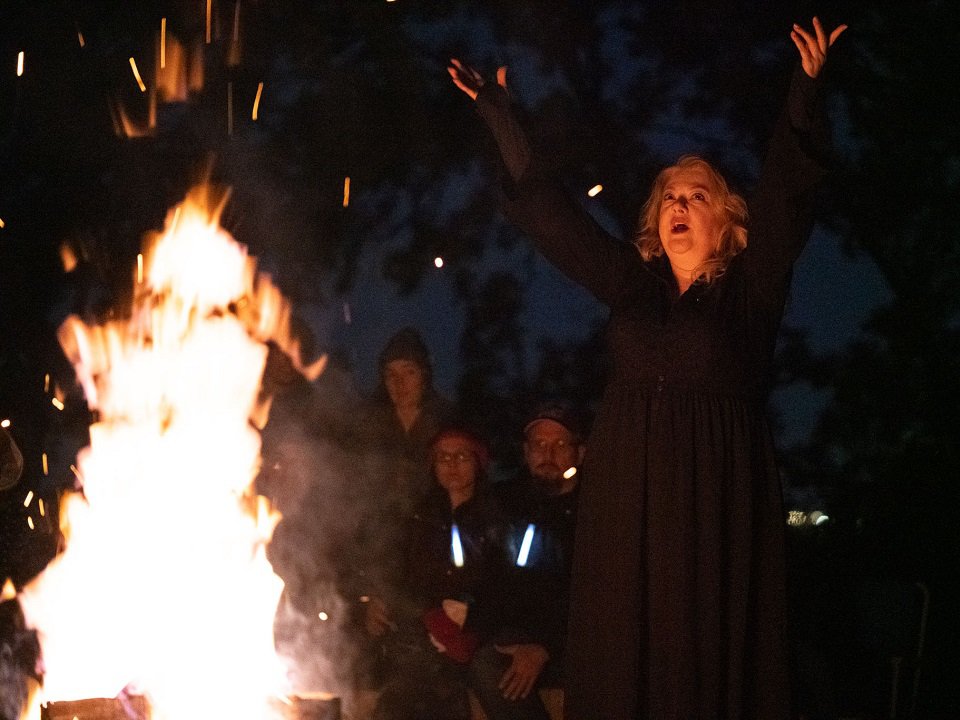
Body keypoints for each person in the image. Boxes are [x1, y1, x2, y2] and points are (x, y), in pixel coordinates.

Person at [448, 16, 846, 720]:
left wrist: (806, 91)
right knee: (626, 653)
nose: (679, 206)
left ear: (727, 220)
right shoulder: (632, 283)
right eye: (669, 197)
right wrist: (505, 122)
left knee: (700, 654)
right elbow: (558, 224)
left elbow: (789, 194)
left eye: (696, 196)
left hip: (710, 501)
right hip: (627, 508)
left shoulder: (752, 290)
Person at [365, 425, 508, 720]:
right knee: (402, 683)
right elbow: (396, 574)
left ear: (478, 462)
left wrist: (467, 622)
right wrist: (377, 604)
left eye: (461, 456)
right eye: (443, 457)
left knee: (439, 687)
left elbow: (504, 584)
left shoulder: (496, 517)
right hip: (417, 629)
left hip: (470, 634)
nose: (452, 465)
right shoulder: (418, 515)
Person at [469, 401, 587, 720]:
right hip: (516, 636)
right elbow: (492, 581)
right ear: (526, 452)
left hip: (575, 642)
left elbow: (597, 596)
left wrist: (545, 646)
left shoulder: (596, 510)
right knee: (480, 662)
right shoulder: (508, 502)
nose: (547, 455)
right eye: (539, 445)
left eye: (560, 444)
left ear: (581, 452)